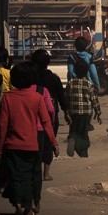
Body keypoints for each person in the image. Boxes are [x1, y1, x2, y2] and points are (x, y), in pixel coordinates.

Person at [0, 61, 58, 215]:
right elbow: (46, 122)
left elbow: (2, 125)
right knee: (29, 177)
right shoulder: (36, 97)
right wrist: (53, 142)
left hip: (12, 146)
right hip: (32, 145)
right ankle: (29, 207)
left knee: (15, 178)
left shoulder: (7, 98)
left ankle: (19, 207)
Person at [31, 49, 67, 182]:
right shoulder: (54, 78)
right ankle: (46, 173)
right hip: (51, 114)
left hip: (33, 114)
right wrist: (66, 112)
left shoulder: (31, 79)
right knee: (48, 143)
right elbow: (62, 97)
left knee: (35, 142)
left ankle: (35, 171)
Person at [65, 58, 101, 158]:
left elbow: (66, 99)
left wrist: (66, 112)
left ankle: (72, 137)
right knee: (83, 133)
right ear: (87, 71)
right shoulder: (89, 84)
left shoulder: (70, 83)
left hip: (73, 113)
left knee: (73, 129)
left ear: (75, 71)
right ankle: (83, 153)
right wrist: (98, 113)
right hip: (86, 114)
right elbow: (94, 100)